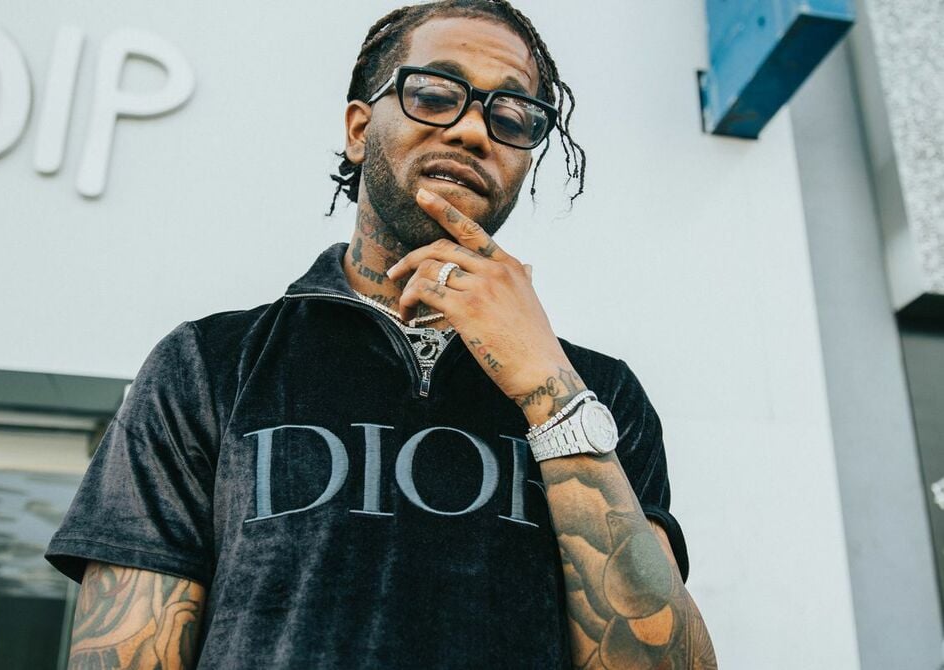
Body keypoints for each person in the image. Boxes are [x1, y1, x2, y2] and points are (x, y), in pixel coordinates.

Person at [46, 1, 717, 668]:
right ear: (359, 129)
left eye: (511, 117)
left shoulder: (599, 393)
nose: (473, 131)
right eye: (435, 95)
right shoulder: (210, 363)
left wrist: (551, 393)